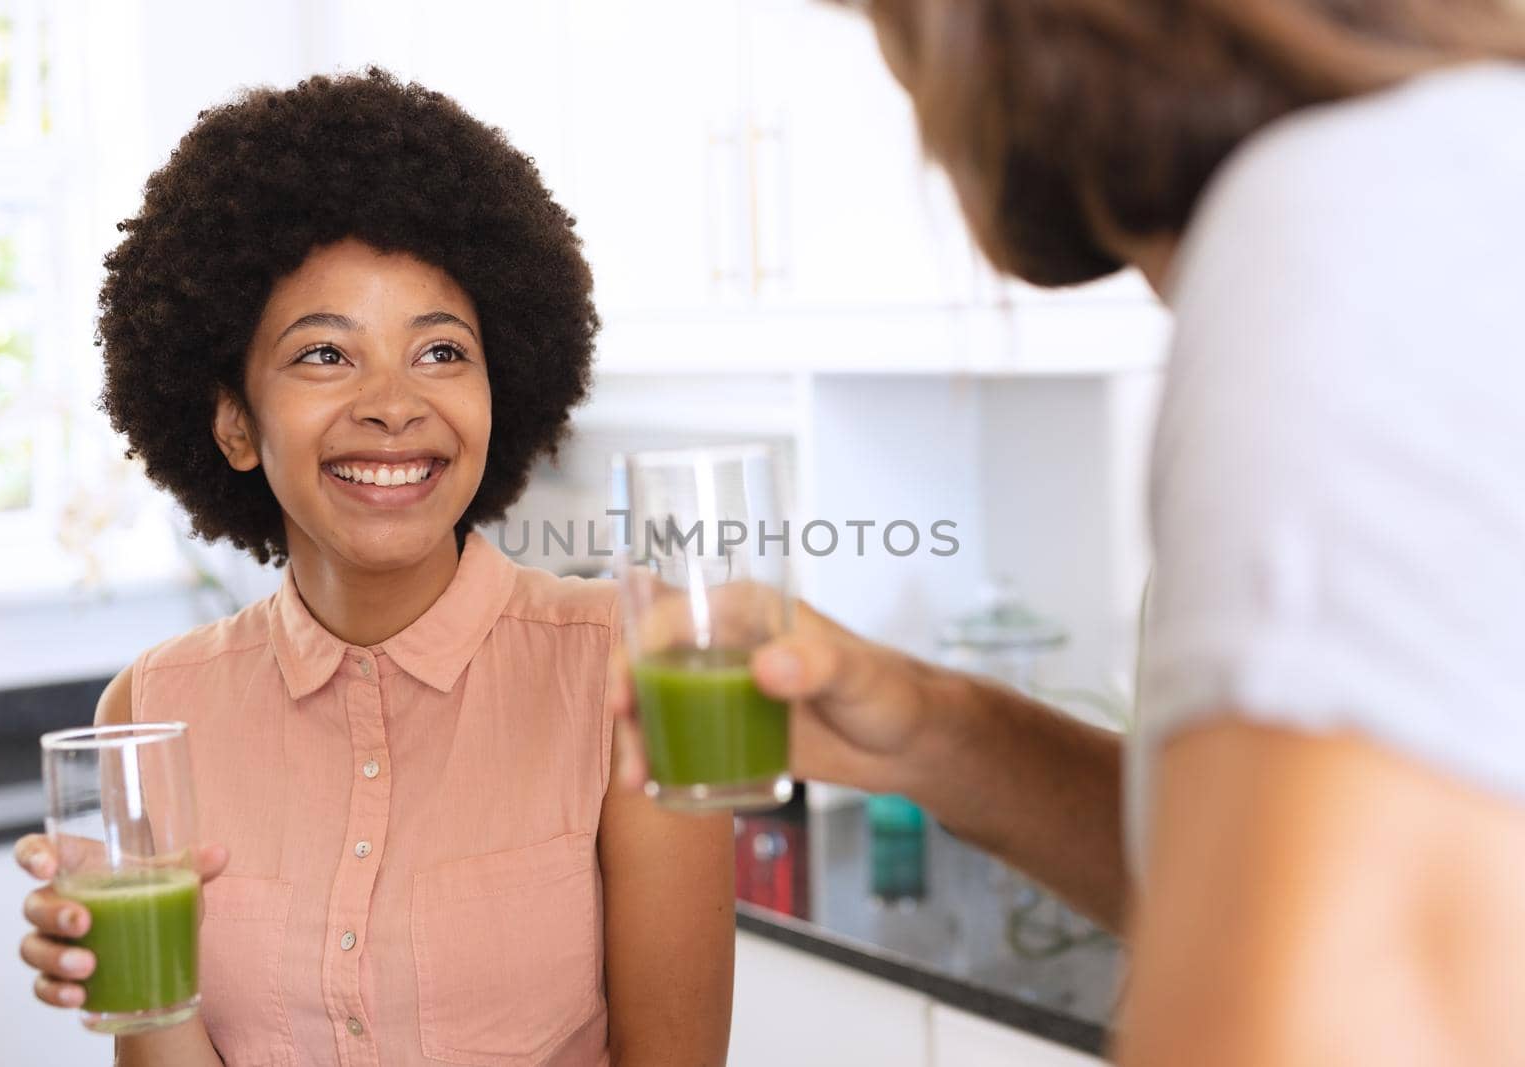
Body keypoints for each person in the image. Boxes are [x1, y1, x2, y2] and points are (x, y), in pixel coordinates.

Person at [607, 1, 1525, 1062]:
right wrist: (935, 728)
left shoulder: (1338, 235)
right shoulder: (1434, 183)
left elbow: (1327, 1007)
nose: (913, 106)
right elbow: (1244, 882)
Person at [13, 70, 734, 1067]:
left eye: (441, 352)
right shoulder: (156, 704)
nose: (395, 404)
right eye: (324, 355)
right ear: (233, 420)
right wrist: (139, 993)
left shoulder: (633, 676)